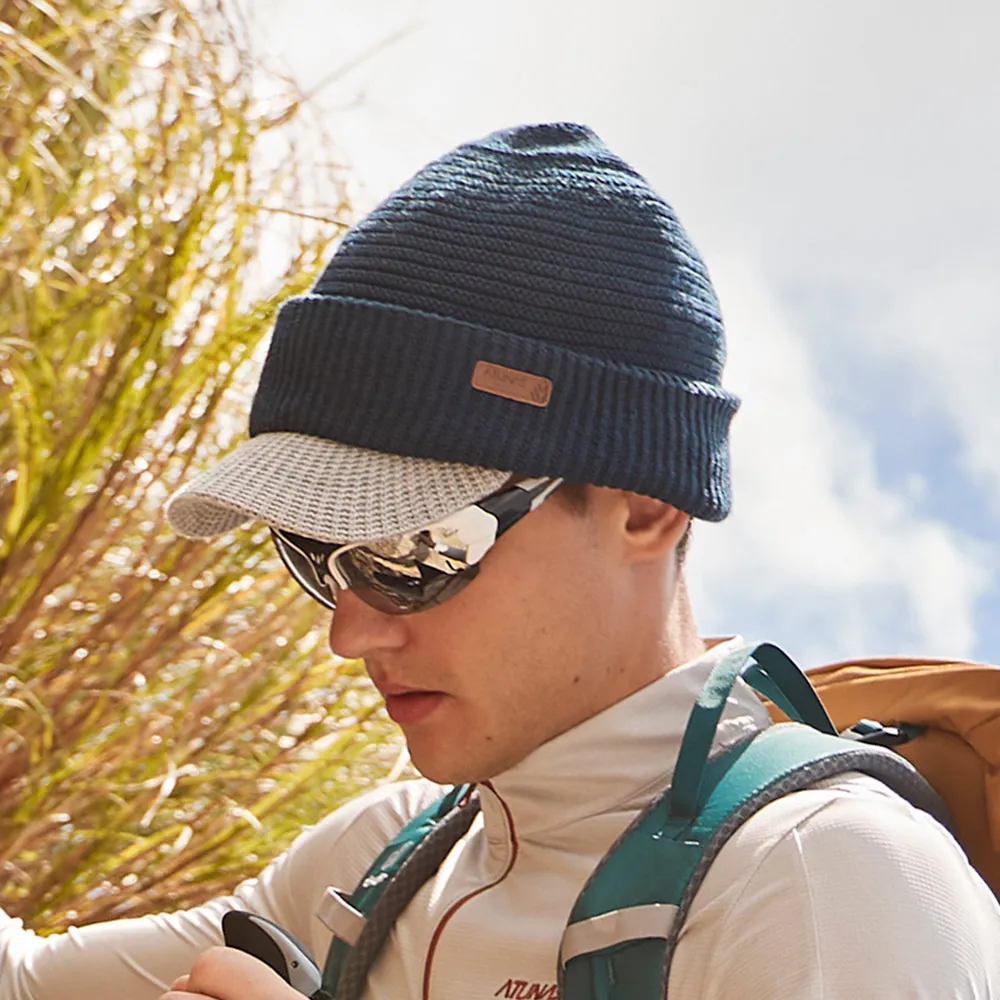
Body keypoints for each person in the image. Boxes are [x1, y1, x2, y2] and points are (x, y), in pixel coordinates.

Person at [1, 122, 998, 1000]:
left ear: (644, 505)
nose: (348, 631)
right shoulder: (381, 862)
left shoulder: (826, 883)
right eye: (314, 554)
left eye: (412, 551)